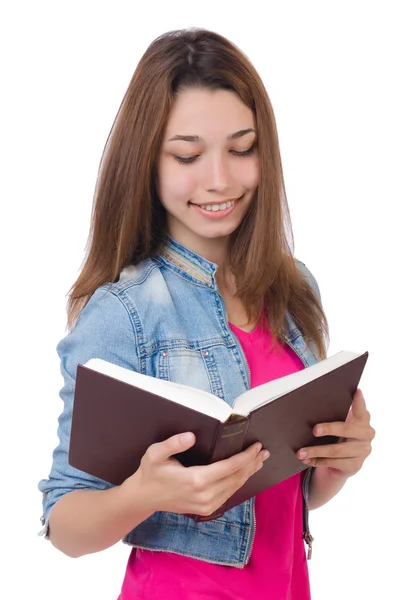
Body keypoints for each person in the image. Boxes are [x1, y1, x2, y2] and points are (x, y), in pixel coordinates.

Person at [38, 28, 375, 599]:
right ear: (147, 160)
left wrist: (336, 464)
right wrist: (144, 494)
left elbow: (277, 496)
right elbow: (63, 523)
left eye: (242, 149)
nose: (219, 179)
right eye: (188, 155)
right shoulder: (124, 312)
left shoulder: (294, 289)